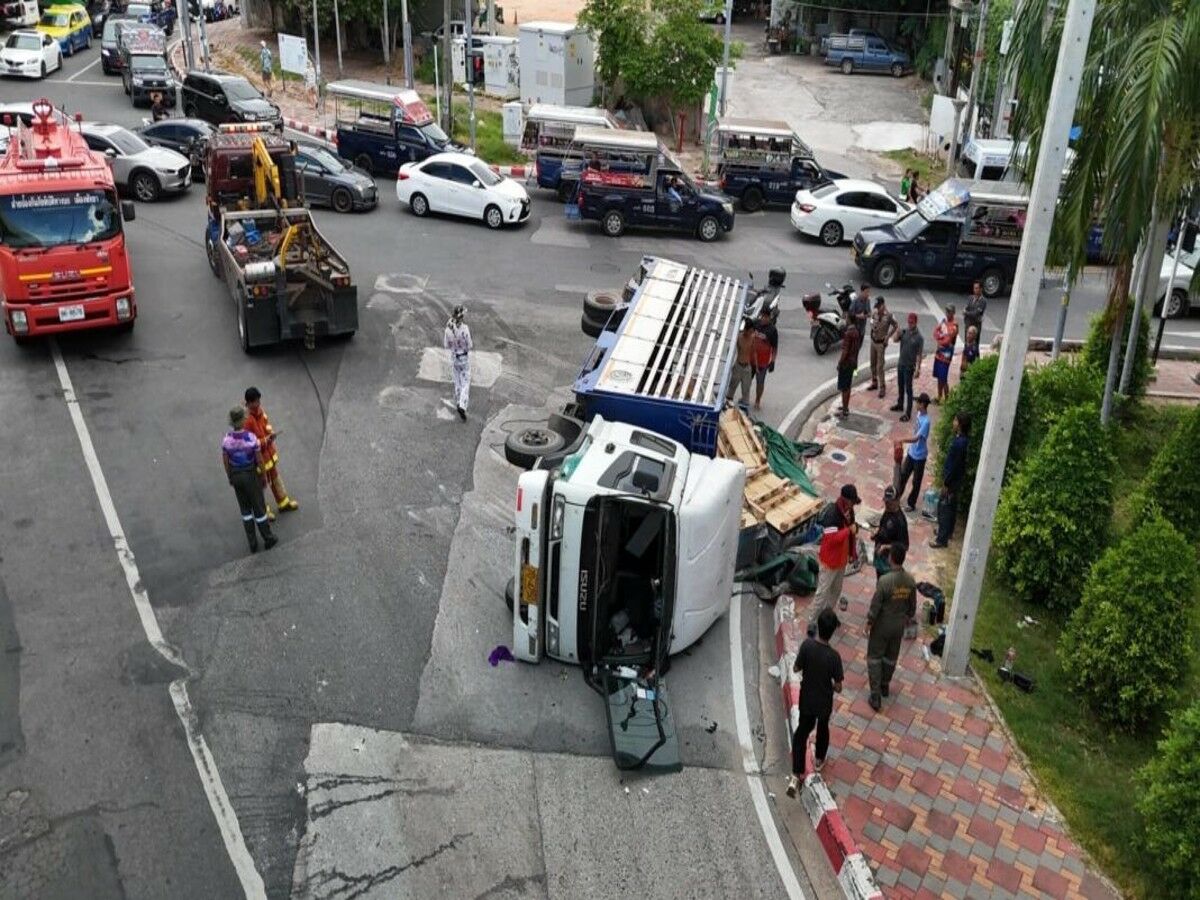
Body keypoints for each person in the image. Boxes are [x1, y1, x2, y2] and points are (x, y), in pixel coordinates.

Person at [786, 607, 843, 798]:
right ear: (833, 631)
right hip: (824, 702)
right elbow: (839, 686)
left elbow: (795, 668)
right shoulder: (834, 657)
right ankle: (819, 760)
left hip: (807, 700)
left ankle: (797, 773)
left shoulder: (807, 646)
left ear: (817, 626)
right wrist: (832, 685)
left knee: (802, 732)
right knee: (823, 728)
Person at [865, 544, 916, 711]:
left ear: (890, 558)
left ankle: (875, 695)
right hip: (898, 626)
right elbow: (912, 607)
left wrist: (869, 622)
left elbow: (875, 606)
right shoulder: (910, 581)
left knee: (874, 657)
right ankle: (885, 685)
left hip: (882, 625)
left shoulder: (884, 581)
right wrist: (905, 618)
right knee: (891, 657)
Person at [222, 407, 277, 553]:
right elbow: (259, 460)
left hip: (236, 476)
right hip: (250, 475)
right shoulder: (251, 439)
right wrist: (263, 476)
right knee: (259, 507)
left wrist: (230, 476)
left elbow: (226, 461)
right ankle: (268, 538)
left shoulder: (227, 440)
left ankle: (252, 542)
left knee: (245, 510)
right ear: (243, 419)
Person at [809, 485, 860, 634]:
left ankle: (827, 616)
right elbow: (831, 539)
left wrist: (852, 553)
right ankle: (812, 621)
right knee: (822, 592)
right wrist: (847, 531)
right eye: (852, 502)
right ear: (845, 499)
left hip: (841, 560)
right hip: (829, 561)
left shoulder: (849, 511)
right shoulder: (832, 514)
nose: (853, 505)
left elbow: (852, 534)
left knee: (836, 591)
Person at [244, 386, 298, 520]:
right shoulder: (247, 420)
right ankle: (264, 512)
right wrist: (265, 441)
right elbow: (250, 443)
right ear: (249, 403)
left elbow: (266, 426)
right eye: (256, 402)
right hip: (258, 458)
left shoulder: (259, 412)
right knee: (261, 485)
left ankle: (283, 502)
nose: (259, 404)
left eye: (259, 401)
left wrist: (270, 434)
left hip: (268, 454)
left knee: (275, 479)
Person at [931, 412, 971, 548]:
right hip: (954, 480)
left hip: (951, 481)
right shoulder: (961, 439)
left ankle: (941, 538)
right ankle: (947, 532)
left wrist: (946, 482)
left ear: (960, 425)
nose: (953, 423)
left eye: (955, 420)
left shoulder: (960, 443)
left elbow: (954, 466)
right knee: (951, 506)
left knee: (944, 508)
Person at [895, 393, 931, 511]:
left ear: (922, 404)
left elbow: (917, 438)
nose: (916, 404)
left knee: (916, 481)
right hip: (912, 452)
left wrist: (902, 439)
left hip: (920, 456)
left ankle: (911, 503)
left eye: (918, 403)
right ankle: (897, 497)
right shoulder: (919, 414)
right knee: (903, 475)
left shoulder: (926, 421)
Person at [890, 312, 924, 421]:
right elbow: (894, 340)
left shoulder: (919, 338)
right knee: (900, 386)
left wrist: (918, 368)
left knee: (908, 389)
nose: (910, 324)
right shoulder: (904, 332)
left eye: (912, 323)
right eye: (909, 322)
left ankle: (908, 412)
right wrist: (897, 333)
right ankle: (900, 404)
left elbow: (919, 354)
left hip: (909, 366)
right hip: (901, 363)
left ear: (916, 323)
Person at [872, 486, 909, 578]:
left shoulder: (900, 521)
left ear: (897, 501)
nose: (887, 505)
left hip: (889, 562)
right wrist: (877, 533)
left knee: (886, 587)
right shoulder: (888, 511)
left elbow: (904, 546)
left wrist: (886, 547)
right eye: (886, 502)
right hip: (880, 557)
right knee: (880, 583)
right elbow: (884, 528)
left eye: (890, 502)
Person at [444, 305, 472, 420]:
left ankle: (457, 401)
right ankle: (462, 404)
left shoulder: (448, 329)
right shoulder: (464, 329)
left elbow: (446, 345)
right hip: (463, 357)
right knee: (465, 382)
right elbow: (470, 345)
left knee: (457, 381)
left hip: (454, 357)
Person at [866, 296, 897, 398]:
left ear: (883, 305)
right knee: (872, 364)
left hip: (881, 344)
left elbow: (895, 326)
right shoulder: (874, 313)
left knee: (880, 366)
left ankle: (882, 387)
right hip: (873, 341)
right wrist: (872, 328)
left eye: (879, 306)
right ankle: (874, 382)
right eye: (876, 306)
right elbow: (871, 322)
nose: (877, 308)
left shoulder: (889, 315)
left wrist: (888, 337)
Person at [750, 311, 777, 411]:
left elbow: (774, 348)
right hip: (751, 359)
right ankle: (745, 398)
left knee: (760, 382)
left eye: (766, 317)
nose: (764, 319)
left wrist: (772, 361)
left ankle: (757, 400)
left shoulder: (772, 330)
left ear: (769, 318)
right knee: (747, 381)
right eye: (763, 317)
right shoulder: (756, 324)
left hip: (763, 362)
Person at [932, 306, 959, 402]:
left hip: (946, 354)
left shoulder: (954, 326)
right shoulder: (943, 321)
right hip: (939, 352)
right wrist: (940, 337)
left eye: (949, 312)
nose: (947, 314)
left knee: (943, 377)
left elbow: (948, 340)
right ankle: (939, 396)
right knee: (939, 376)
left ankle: (947, 400)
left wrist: (940, 339)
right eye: (946, 312)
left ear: (953, 313)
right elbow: (935, 332)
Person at [836, 317, 861, 418]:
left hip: (846, 364)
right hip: (853, 362)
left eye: (847, 318)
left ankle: (845, 410)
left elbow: (845, 351)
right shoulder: (856, 332)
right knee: (848, 386)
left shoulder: (848, 334)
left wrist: (840, 363)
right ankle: (845, 406)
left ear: (850, 320)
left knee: (844, 387)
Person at [727, 320, 755, 407]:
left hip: (747, 367)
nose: (750, 333)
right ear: (745, 330)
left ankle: (744, 404)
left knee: (746, 389)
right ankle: (728, 403)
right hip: (738, 365)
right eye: (749, 331)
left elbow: (754, 352)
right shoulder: (739, 337)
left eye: (752, 331)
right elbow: (730, 350)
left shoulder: (753, 337)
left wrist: (756, 366)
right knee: (732, 387)